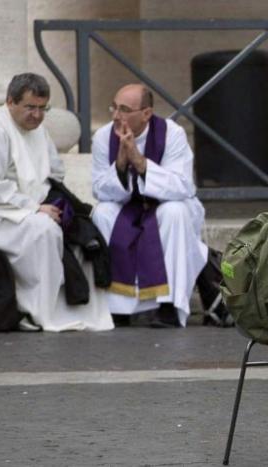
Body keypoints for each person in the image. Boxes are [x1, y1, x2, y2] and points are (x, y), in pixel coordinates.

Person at [0, 73, 113, 331]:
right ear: (10, 101)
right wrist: (35, 207)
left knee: (82, 232)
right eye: (30, 107)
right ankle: (37, 311)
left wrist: (52, 202)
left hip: (24, 208)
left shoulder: (38, 131)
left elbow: (54, 172)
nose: (36, 115)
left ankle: (74, 308)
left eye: (42, 108)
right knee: (43, 230)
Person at [91, 84, 215, 328]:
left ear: (146, 114)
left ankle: (169, 305)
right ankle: (117, 307)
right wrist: (119, 164)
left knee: (175, 212)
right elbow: (99, 189)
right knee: (102, 213)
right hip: (126, 203)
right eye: (114, 108)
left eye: (124, 110)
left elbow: (181, 186)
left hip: (165, 204)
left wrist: (139, 162)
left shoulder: (172, 134)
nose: (116, 116)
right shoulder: (104, 137)